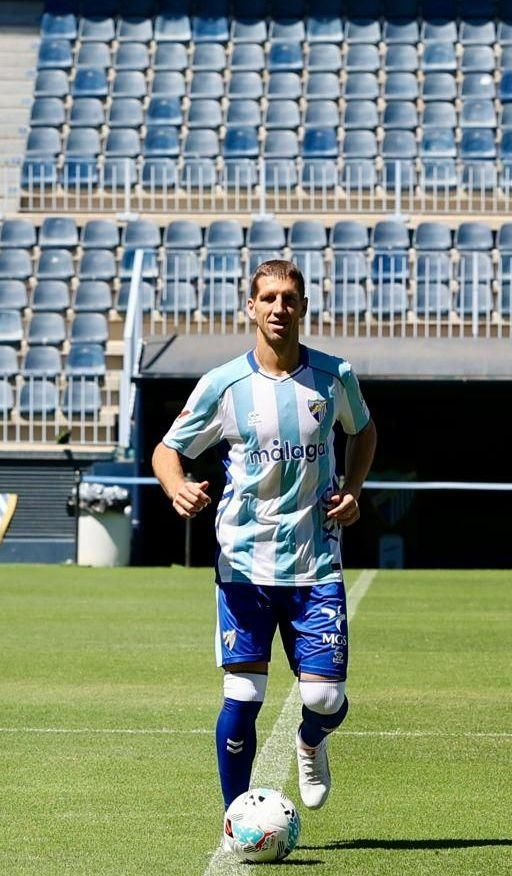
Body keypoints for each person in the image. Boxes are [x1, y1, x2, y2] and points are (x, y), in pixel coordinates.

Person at [151, 259, 378, 818]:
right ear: (250, 308)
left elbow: (364, 429)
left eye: (290, 298)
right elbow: (166, 450)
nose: (280, 308)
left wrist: (352, 488)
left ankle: (311, 740)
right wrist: (177, 486)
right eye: (269, 298)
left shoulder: (334, 376)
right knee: (244, 695)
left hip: (315, 561)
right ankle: (236, 819)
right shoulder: (223, 384)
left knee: (324, 698)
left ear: (303, 308)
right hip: (244, 566)